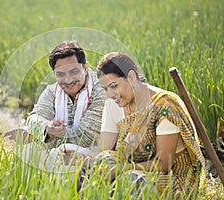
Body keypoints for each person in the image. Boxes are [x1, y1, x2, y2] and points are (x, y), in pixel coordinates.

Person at [86, 52, 206, 197]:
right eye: (106, 89)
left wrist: (122, 168)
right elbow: (103, 149)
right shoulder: (113, 104)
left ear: (131, 77)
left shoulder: (163, 106)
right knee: (103, 160)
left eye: (114, 86)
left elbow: (163, 163)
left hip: (174, 178)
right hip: (132, 171)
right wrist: (83, 159)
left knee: (131, 180)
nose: (110, 94)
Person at [4, 40, 106, 151]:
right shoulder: (53, 91)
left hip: (95, 156)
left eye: (74, 71)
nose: (68, 80)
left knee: (56, 149)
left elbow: (85, 139)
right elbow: (34, 117)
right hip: (62, 154)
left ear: (85, 67)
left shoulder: (101, 90)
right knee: (26, 152)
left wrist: (36, 138)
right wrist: (47, 128)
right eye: (60, 74)